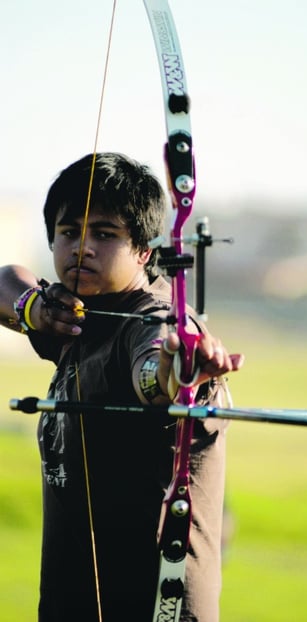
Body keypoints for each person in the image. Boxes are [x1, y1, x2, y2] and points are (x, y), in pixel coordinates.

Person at [0, 152, 244, 622]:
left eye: (105, 234)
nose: (81, 248)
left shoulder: (150, 319)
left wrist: (178, 369)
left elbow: (152, 373)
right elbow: (5, 280)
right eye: (69, 231)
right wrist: (34, 307)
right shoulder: (74, 316)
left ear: (145, 251)